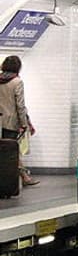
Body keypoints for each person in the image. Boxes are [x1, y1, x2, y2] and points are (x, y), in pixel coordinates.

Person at [0, 56, 38, 186]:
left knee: (5, 151)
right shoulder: (17, 82)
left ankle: (24, 176)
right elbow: (20, 106)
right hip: (10, 123)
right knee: (11, 151)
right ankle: (24, 177)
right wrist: (24, 124)